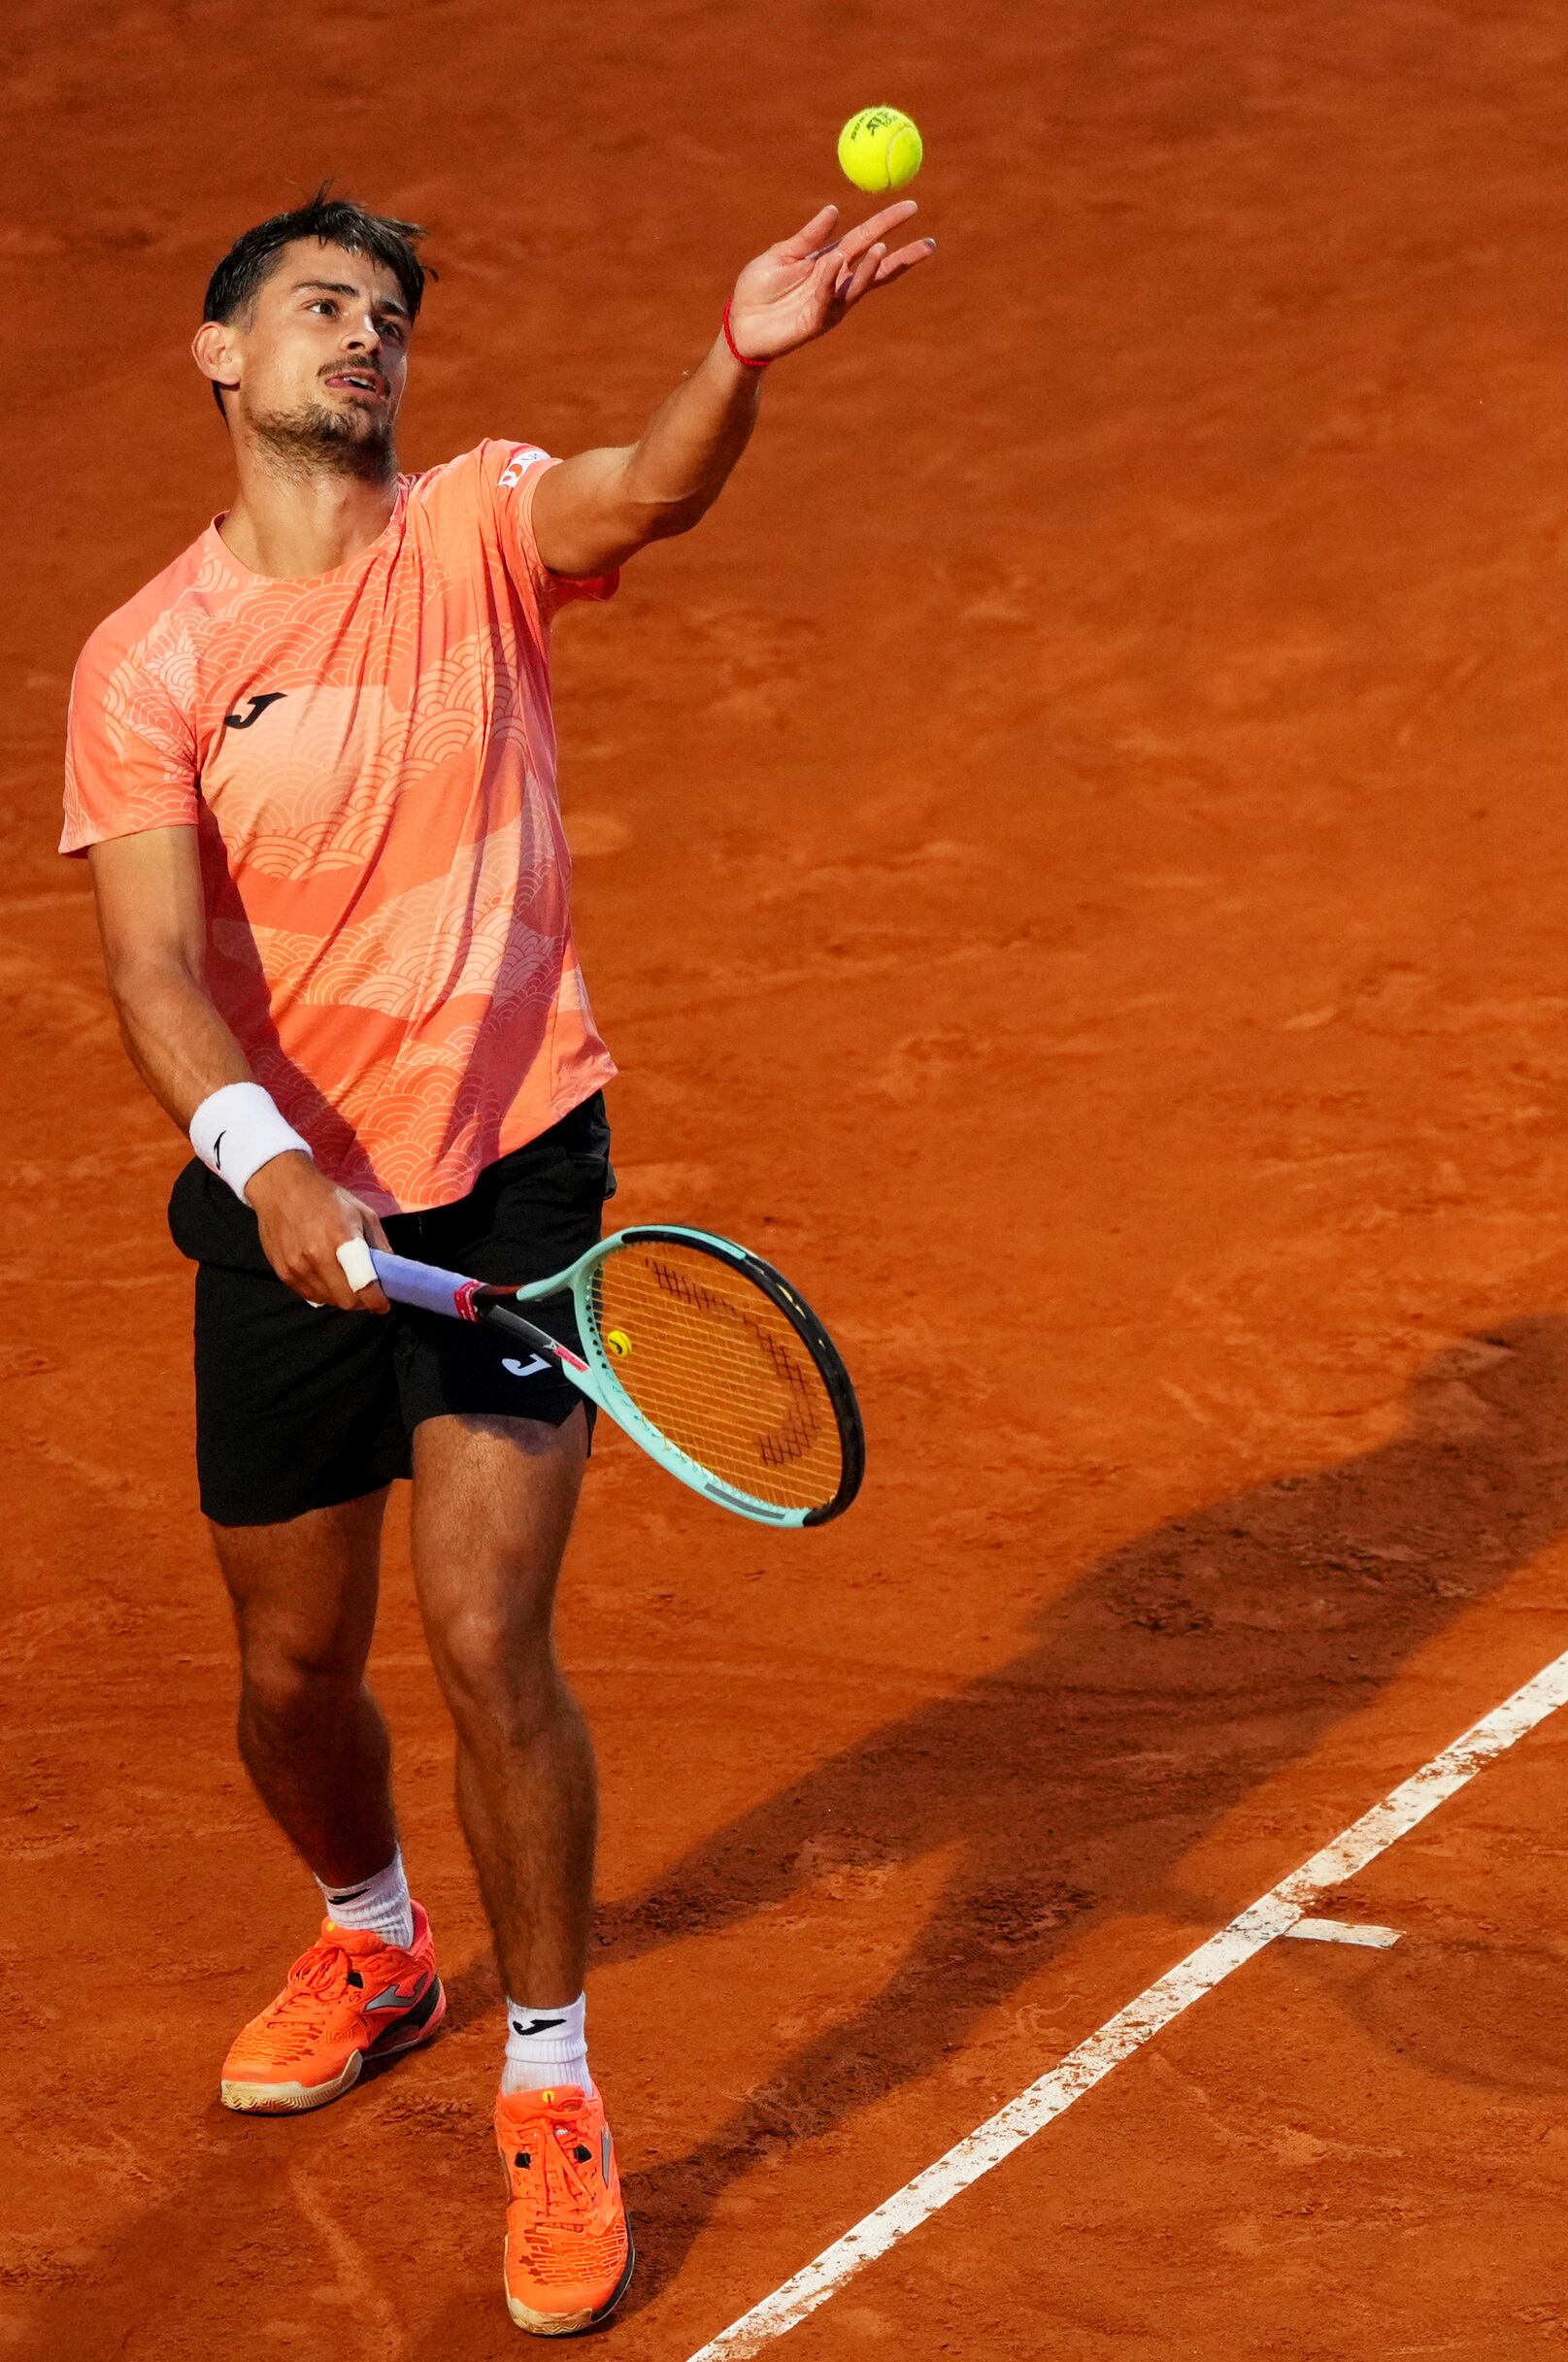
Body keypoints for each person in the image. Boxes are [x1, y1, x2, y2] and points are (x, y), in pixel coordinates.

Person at [58, 184, 933, 2337]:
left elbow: (647, 486)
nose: (364, 340)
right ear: (219, 354)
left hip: (513, 1160)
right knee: (289, 1670)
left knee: (481, 1628)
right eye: (319, 307)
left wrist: (736, 358)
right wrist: (266, 1164)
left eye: (388, 318)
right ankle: (373, 1927)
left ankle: (551, 2072)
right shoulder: (146, 659)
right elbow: (156, 966)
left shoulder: (476, 528)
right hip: (283, 1202)